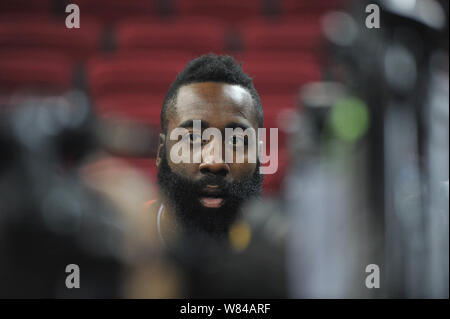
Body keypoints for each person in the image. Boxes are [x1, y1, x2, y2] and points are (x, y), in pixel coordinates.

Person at [147, 53, 265, 247]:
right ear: (161, 153)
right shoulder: (125, 238)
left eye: (235, 140)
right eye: (192, 138)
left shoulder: (290, 251)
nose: (215, 162)